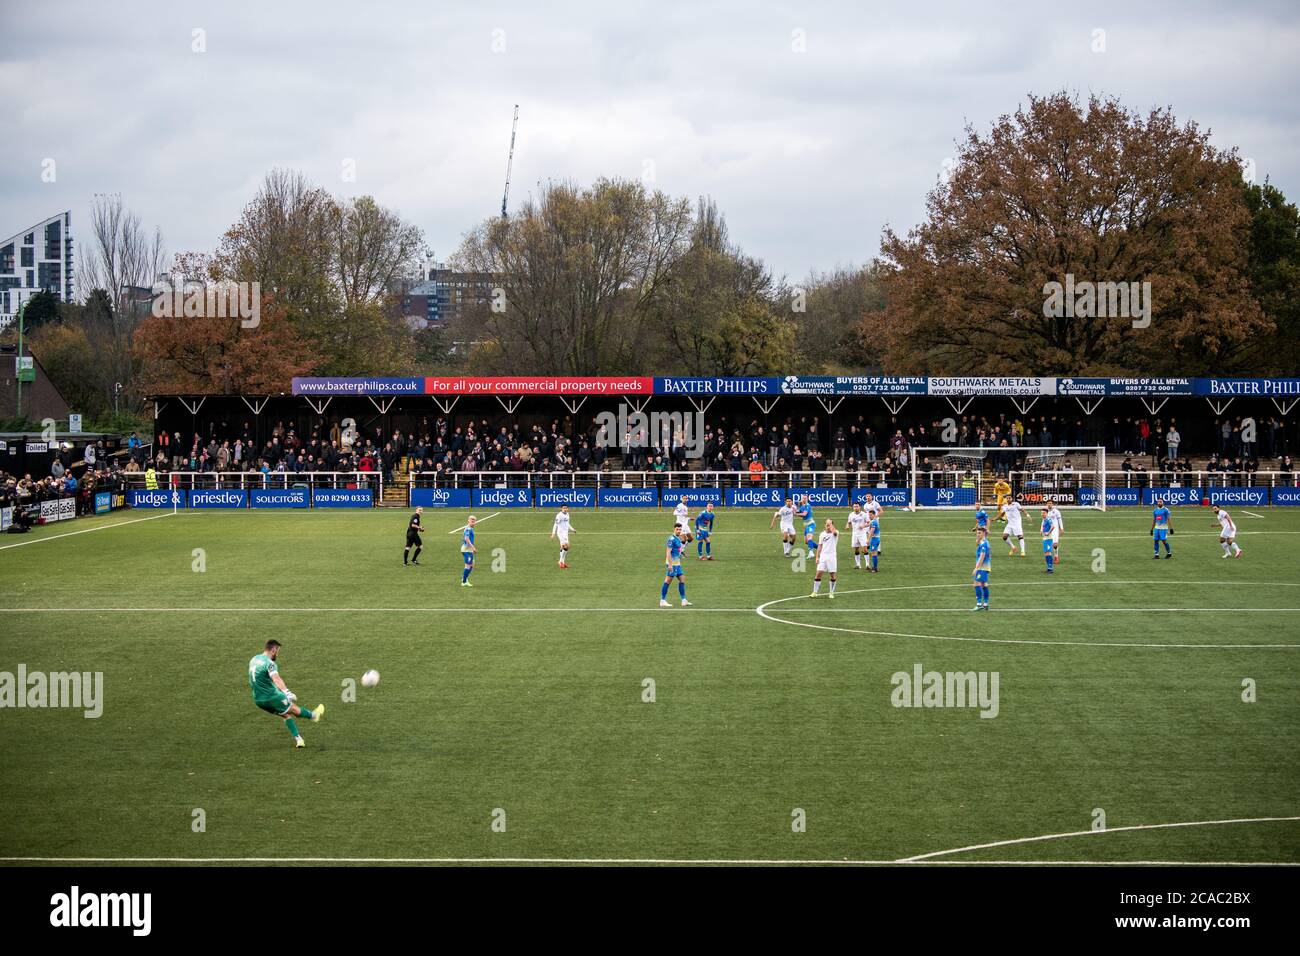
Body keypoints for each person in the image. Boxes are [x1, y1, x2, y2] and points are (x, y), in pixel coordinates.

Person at [248, 640, 323, 749]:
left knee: (285, 714)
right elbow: (277, 679)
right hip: (271, 697)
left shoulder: (254, 659)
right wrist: (287, 692)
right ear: (273, 650)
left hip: (258, 700)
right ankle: (314, 716)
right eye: (277, 651)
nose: (277, 654)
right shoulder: (270, 664)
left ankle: (299, 739)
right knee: (294, 709)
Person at [660, 525, 692, 607]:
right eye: (677, 529)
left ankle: (684, 600)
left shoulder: (678, 538)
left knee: (682, 579)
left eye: (680, 529)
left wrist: (682, 554)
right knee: (668, 581)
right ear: (674, 529)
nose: (679, 531)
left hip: (677, 563)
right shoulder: (671, 539)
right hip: (672, 564)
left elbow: (677, 550)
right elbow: (668, 553)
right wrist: (670, 565)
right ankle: (662, 600)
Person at [810, 519, 839, 599]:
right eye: (826, 524)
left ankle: (831, 592)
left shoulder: (835, 532)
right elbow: (819, 546)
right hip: (823, 556)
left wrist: (832, 528)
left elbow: (835, 533)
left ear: (832, 525)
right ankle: (815, 592)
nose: (827, 525)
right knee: (818, 573)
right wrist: (817, 557)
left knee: (832, 575)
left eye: (829, 524)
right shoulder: (822, 534)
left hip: (832, 557)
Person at [972, 527, 991, 611]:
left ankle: (979, 604)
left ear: (984, 533)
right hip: (985, 566)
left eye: (979, 533)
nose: (977, 534)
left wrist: (976, 568)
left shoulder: (984, 544)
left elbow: (982, 556)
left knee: (976, 584)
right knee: (984, 585)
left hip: (982, 567)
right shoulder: (985, 542)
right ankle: (986, 604)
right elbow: (989, 554)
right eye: (977, 533)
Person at [847, 502, 870, 569]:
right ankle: (858, 565)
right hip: (854, 534)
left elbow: (868, 523)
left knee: (865, 549)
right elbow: (849, 522)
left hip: (862, 534)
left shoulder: (864, 514)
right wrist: (847, 525)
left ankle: (867, 565)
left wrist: (863, 525)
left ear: (860, 507)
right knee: (856, 549)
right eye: (854, 506)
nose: (855, 508)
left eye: (857, 506)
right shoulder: (851, 514)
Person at [550, 504, 574, 568]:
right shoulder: (559, 515)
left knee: (564, 547)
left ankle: (562, 562)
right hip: (560, 533)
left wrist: (572, 529)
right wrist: (553, 533)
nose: (565, 509)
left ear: (568, 508)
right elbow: (555, 524)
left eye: (566, 508)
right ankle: (561, 562)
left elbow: (567, 523)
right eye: (564, 508)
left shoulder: (567, 514)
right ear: (561, 508)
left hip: (565, 533)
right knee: (566, 546)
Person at [795, 495, 816, 559]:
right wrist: (793, 510)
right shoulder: (802, 506)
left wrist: (795, 514)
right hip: (806, 525)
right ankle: (821, 548)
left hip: (811, 524)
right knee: (806, 541)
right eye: (803, 498)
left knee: (809, 538)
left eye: (805, 498)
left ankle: (811, 553)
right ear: (801, 499)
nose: (804, 499)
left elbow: (804, 514)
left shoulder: (808, 505)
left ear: (807, 499)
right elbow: (799, 512)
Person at [460, 515, 478, 586]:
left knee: (472, 565)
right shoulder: (468, 529)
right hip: (467, 549)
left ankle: (464, 578)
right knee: (468, 565)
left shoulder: (468, 528)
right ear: (468, 521)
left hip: (467, 549)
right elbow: (466, 539)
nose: (473, 522)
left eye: (474, 521)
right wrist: (473, 547)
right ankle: (464, 582)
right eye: (472, 521)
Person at [1040, 508, 1056, 574]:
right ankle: (1048, 568)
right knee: (1046, 553)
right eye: (1041, 513)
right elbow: (1043, 526)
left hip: (1048, 539)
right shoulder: (1044, 519)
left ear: (1047, 513)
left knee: (1048, 553)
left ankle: (1050, 569)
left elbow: (1053, 526)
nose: (1042, 514)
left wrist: (1048, 532)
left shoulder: (1048, 519)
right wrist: (1041, 531)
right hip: (1045, 538)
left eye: (1044, 513)